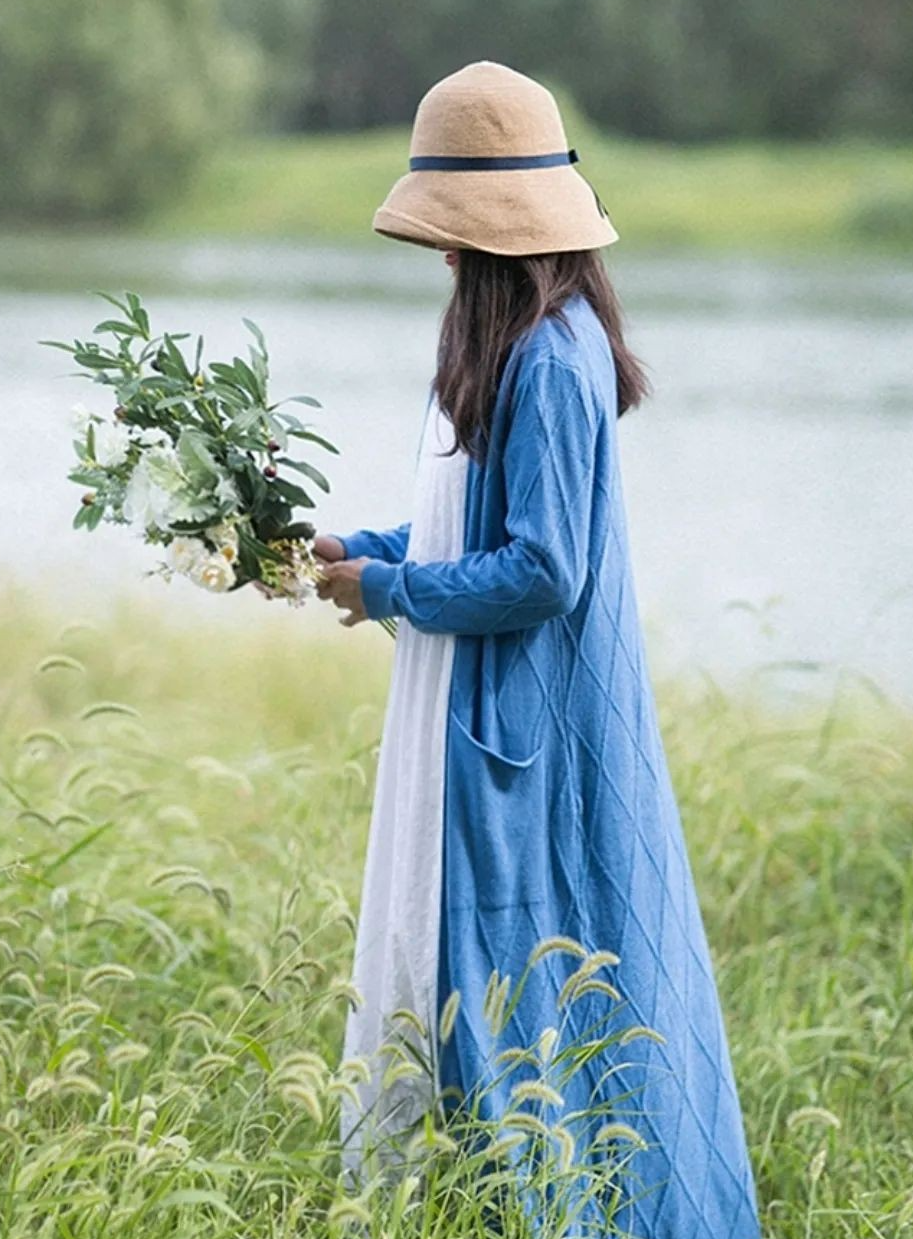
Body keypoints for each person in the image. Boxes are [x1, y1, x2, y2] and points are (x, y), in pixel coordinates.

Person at [316, 60, 761, 1238]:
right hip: (468, 697)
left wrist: (393, 589)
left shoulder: (554, 360)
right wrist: (352, 552)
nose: (445, 260)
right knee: (489, 972)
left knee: (541, 974)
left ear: (504, 240)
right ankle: (468, 1203)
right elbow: (473, 519)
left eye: (454, 238)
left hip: (529, 715)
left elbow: (541, 569)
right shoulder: (498, 342)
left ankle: (569, 1209)